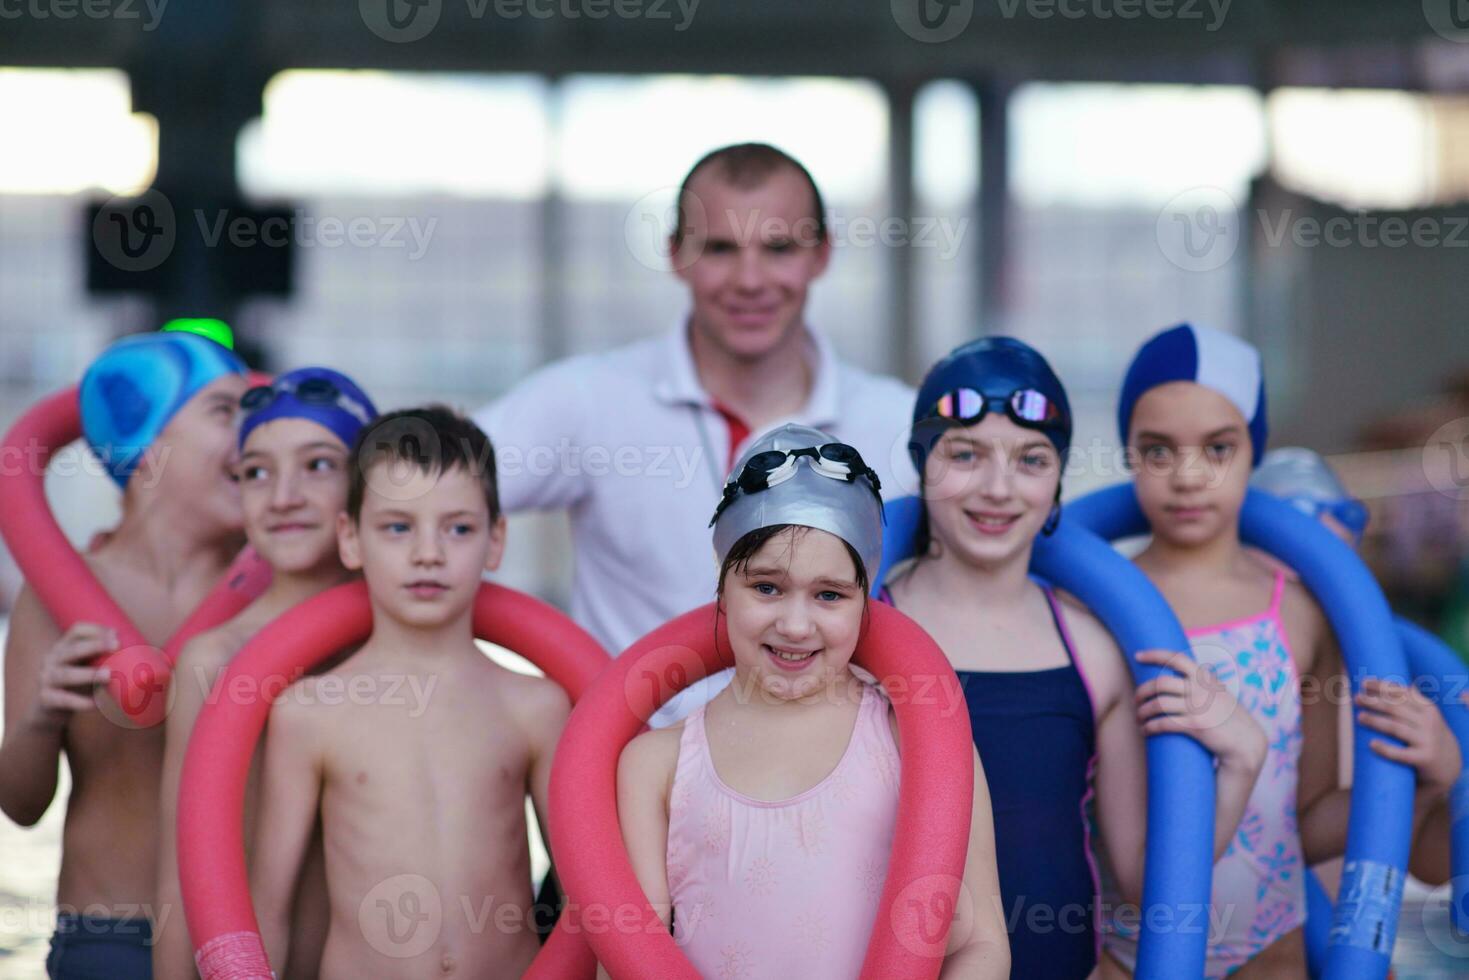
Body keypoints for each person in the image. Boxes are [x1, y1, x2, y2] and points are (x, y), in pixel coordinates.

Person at [474, 142, 915, 721]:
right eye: (720, 249)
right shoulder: (588, 400)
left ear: (821, 254)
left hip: (834, 794)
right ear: (676, 253)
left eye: (778, 248)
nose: (750, 280)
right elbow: (405, 490)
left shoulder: (900, 425)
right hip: (627, 794)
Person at [881, 337, 1266, 978]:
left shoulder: (1092, 650)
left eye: (1031, 460)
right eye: (966, 455)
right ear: (923, 465)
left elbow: (1149, 879)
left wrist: (1239, 763)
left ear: (1059, 476)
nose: (998, 488)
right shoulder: (862, 631)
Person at [614, 423, 1010, 979]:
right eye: (767, 587)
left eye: (829, 595)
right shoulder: (656, 765)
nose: (795, 625)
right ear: (722, 584)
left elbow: (981, 945)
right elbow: (629, 961)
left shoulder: (921, 745)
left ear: (864, 601)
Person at [249, 407, 568, 978]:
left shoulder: (535, 707)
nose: (429, 553)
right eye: (398, 527)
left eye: (459, 528)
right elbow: (268, 908)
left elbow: (588, 891)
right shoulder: (309, 713)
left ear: (495, 541)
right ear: (350, 538)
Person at [0, 330, 248, 979]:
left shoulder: (273, 592)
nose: (252, 432)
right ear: (148, 451)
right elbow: (21, 805)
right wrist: (42, 716)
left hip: (247, 940)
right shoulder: (61, 594)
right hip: (108, 936)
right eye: (225, 411)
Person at [1101, 323, 1346, 978]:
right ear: (1128, 452)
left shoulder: (1298, 612)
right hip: (1125, 953)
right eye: (1157, 449)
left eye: (1216, 448)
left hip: (1270, 946)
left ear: (1252, 452)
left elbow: (1309, 815)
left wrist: (1430, 779)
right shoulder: (1093, 607)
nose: (1186, 475)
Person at [153, 367, 378, 980]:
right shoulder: (215, 661)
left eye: (318, 465)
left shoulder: (412, 638)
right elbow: (182, 877)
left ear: (367, 485)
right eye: (255, 472)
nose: (282, 497)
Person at [1251, 447, 1462, 890]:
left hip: (1350, 953)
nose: (1301, 612)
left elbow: (1440, 865)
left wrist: (1442, 773)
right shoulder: (1223, 678)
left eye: (1329, 578)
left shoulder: (1384, 691)